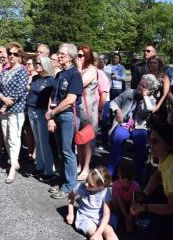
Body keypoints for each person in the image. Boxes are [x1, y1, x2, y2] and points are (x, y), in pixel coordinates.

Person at [130, 120, 173, 240]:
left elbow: (172, 208)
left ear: (168, 144)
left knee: (151, 234)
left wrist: (144, 207)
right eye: (150, 141)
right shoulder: (167, 157)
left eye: (155, 142)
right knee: (151, 195)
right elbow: (157, 177)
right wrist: (144, 195)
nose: (150, 145)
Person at [45, 43, 83, 199]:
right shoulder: (60, 74)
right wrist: (51, 116)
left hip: (68, 116)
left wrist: (52, 112)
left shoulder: (74, 74)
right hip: (57, 116)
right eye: (58, 53)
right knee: (60, 151)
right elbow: (53, 97)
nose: (58, 56)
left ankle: (69, 186)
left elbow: (70, 99)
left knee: (68, 152)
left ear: (70, 57)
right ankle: (63, 180)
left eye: (62, 54)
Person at [108, 74, 158, 182]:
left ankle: (138, 178)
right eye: (140, 84)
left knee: (141, 144)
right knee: (118, 138)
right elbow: (114, 102)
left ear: (150, 90)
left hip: (140, 127)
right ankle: (112, 174)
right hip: (124, 123)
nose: (140, 87)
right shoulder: (129, 93)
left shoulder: (151, 100)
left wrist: (145, 96)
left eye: (144, 86)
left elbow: (149, 109)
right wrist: (117, 110)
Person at [0, 41, 29, 184]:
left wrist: (6, 104)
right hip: (4, 108)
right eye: (10, 53)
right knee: (5, 136)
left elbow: (20, 91)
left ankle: (12, 168)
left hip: (16, 110)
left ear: (20, 56)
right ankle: (14, 161)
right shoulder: (4, 70)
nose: (12, 56)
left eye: (15, 54)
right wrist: (3, 99)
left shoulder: (22, 71)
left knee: (14, 138)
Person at [66, 166, 118, 240]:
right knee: (94, 234)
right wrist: (70, 213)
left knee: (109, 232)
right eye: (87, 180)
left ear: (101, 187)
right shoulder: (81, 187)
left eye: (91, 185)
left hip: (100, 216)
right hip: (85, 217)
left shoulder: (105, 192)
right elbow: (71, 195)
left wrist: (99, 232)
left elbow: (106, 215)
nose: (86, 184)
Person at [27, 56, 55, 181]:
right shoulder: (35, 77)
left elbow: (52, 99)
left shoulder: (51, 80)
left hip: (42, 113)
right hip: (31, 111)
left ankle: (49, 171)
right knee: (37, 141)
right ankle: (40, 167)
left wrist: (50, 116)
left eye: (39, 63)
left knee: (44, 142)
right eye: (35, 63)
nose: (36, 65)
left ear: (45, 65)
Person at [76, 45, 99, 181]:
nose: (78, 58)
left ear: (87, 56)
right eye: (77, 55)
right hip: (77, 108)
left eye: (81, 55)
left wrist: (78, 69)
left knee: (88, 139)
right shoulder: (81, 69)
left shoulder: (92, 70)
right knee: (78, 138)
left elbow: (79, 84)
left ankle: (86, 167)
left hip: (88, 109)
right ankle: (80, 164)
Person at [110, 160, 140, 232]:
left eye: (129, 182)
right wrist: (126, 217)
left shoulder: (136, 186)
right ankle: (119, 217)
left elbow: (134, 202)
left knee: (139, 202)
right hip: (122, 203)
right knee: (113, 201)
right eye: (123, 182)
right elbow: (120, 202)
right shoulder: (115, 185)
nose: (126, 184)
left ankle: (135, 220)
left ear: (133, 178)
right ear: (119, 176)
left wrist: (130, 218)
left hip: (131, 203)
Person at [147, 55, 170, 120]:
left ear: (159, 64)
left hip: (160, 105)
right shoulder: (145, 76)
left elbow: (165, 95)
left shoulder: (164, 77)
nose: (152, 64)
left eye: (154, 63)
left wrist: (157, 107)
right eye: (150, 63)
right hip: (147, 104)